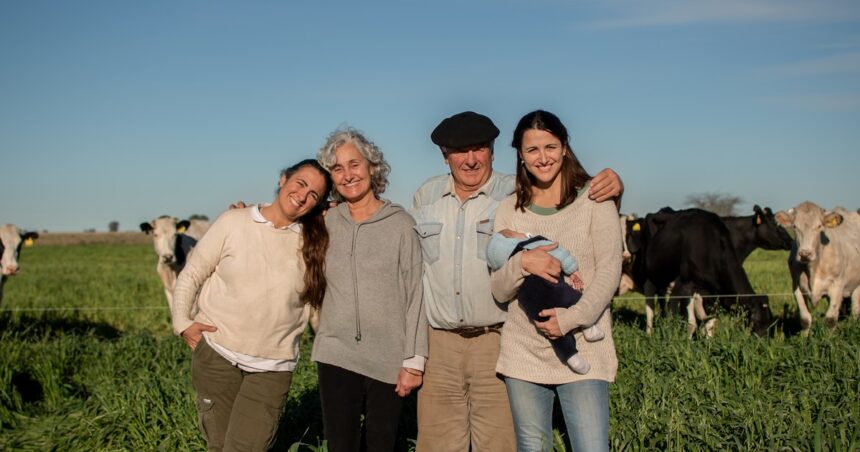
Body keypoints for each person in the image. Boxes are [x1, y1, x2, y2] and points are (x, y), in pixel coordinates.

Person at [411, 111, 623, 452]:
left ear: (494, 151)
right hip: (457, 346)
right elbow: (421, 271)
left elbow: (605, 261)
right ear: (444, 155)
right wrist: (523, 261)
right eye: (459, 151)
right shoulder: (430, 198)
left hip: (502, 338)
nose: (470, 160)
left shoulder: (526, 194)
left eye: (479, 149)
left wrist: (615, 186)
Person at [171, 159, 332, 452]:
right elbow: (192, 273)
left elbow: (319, 311)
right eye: (301, 183)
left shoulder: (315, 242)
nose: (303, 195)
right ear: (283, 179)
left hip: (272, 368)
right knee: (218, 446)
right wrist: (182, 322)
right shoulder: (235, 221)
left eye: (314, 195)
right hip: (217, 357)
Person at [490, 110, 622, 451]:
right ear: (520, 154)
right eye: (532, 150)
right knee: (532, 446)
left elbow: (609, 270)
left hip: (584, 344)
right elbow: (500, 290)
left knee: (591, 446)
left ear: (565, 148)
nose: (542, 157)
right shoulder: (508, 210)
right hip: (525, 351)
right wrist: (522, 262)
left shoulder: (595, 198)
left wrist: (571, 319)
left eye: (550, 146)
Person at [311, 128, 428, 452]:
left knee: (381, 443)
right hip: (335, 352)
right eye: (337, 168)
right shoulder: (325, 224)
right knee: (340, 445)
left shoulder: (401, 225)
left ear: (372, 167)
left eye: (354, 164)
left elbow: (416, 293)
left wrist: (413, 361)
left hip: (388, 355)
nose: (348, 175)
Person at [487, 230, 605, 374]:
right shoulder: (533, 243)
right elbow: (560, 253)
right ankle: (589, 327)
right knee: (571, 298)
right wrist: (572, 269)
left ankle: (571, 357)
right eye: (512, 233)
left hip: (528, 298)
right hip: (552, 284)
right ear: (510, 238)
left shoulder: (506, 262)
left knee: (549, 328)